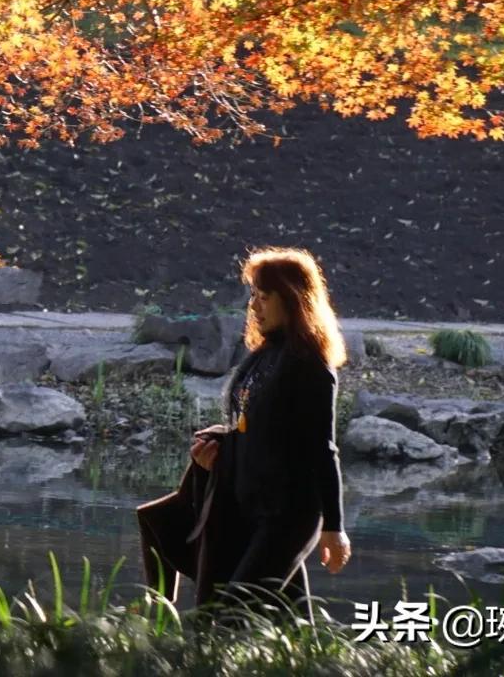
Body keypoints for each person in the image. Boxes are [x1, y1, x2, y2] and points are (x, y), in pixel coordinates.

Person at [136, 245, 351, 622]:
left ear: (293, 300)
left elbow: (323, 449)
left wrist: (335, 528)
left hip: (287, 518)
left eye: (264, 298)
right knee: (293, 625)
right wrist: (218, 448)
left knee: (225, 619)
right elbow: (251, 429)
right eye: (254, 296)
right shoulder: (261, 357)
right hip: (248, 509)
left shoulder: (310, 368)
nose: (254, 307)